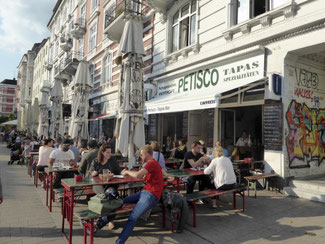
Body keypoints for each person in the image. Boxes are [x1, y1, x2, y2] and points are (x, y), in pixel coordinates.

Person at [116, 145, 168, 244]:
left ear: (147, 154)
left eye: (141, 155)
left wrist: (126, 171)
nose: (140, 157)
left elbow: (138, 175)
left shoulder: (151, 163)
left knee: (132, 218)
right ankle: (101, 222)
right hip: (145, 192)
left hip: (150, 195)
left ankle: (119, 242)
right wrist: (167, 176)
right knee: (120, 202)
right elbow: (164, 173)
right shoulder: (154, 163)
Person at [90, 144, 121, 231]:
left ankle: (108, 219)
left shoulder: (112, 160)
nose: (109, 154)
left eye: (110, 152)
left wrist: (113, 174)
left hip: (111, 183)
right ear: (102, 152)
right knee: (106, 196)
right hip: (98, 184)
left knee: (113, 196)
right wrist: (93, 173)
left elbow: (118, 172)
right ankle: (109, 219)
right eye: (107, 152)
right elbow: (90, 174)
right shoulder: (96, 161)